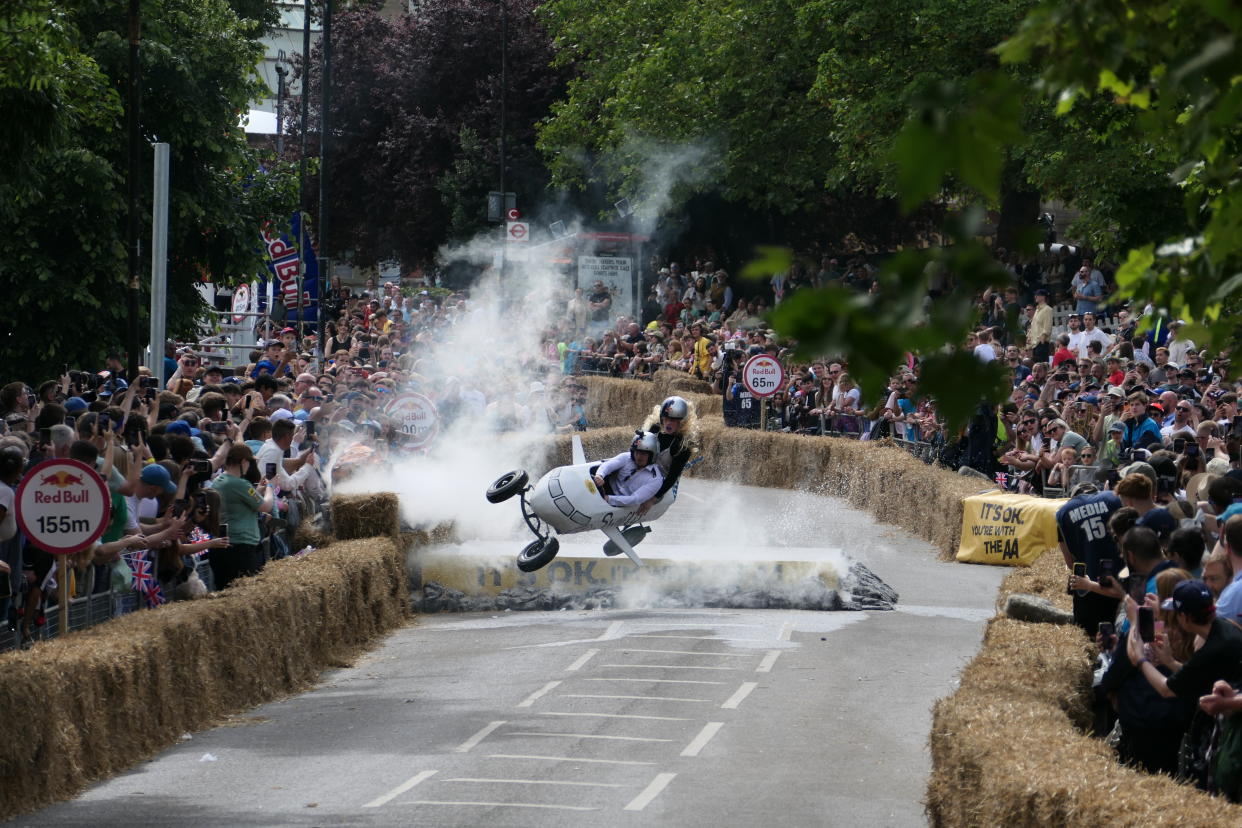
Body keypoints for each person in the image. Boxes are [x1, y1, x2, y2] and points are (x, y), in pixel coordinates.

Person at [1058, 482, 1123, 635]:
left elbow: (1069, 561)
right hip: (1119, 579)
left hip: (1086, 588)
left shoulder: (1063, 514)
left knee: (1090, 640)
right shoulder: (1112, 500)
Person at [637, 396, 698, 515]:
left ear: (682, 422)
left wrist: (653, 500)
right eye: (666, 419)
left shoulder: (682, 445)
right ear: (661, 418)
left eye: (674, 420)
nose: (669, 423)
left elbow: (672, 476)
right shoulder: (654, 429)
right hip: (641, 473)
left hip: (657, 483)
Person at [592, 432, 664, 508]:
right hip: (606, 486)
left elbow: (635, 499)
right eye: (637, 452)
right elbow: (608, 465)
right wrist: (600, 475)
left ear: (652, 455)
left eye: (643, 454)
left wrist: (608, 499)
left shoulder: (655, 479)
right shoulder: (627, 457)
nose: (639, 457)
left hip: (621, 502)